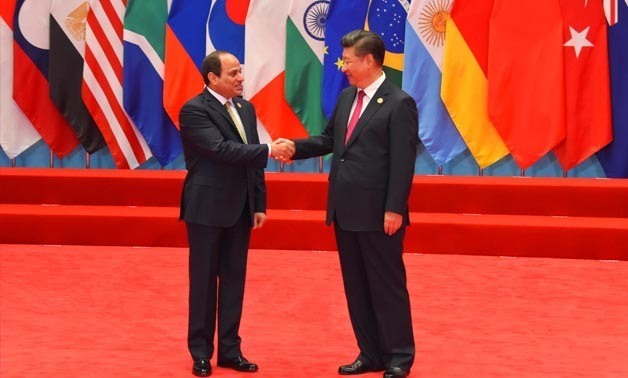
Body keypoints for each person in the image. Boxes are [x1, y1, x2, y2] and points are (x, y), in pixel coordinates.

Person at [276, 30, 417, 378]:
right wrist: (295, 147)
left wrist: (394, 208)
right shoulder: (345, 99)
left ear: (369, 60)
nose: (344, 67)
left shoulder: (398, 103)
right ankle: (370, 353)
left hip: (379, 213)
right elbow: (328, 140)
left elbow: (402, 162)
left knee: (387, 286)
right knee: (356, 286)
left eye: (349, 60)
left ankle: (399, 355)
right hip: (344, 209)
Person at [179, 50, 293, 377]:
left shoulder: (245, 108)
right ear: (212, 78)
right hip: (206, 209)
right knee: (203, 283)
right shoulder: (194, 110)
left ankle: (230, 350)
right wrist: (270, 150)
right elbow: (221, 150)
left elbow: (250, 163)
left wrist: (259, 204)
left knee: (234, 282)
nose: (240, 78)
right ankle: (201, 352)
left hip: (240, 209)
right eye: (233, 74)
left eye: (240, 71)